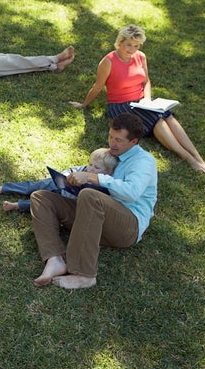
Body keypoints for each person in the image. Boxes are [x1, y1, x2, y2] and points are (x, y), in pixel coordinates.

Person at [30, 113, 157, 289]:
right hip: (96, 219)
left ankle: (84, 275)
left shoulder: (144, 162)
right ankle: (55, 259)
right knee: (41, 197)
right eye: (111, 136)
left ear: (133, 142)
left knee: (90, 195)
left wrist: (92, 178)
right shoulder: (112, 154)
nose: (112, 143)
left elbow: (131, 193)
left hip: (128, 227)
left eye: (119, 140)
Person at [69, 24, 205, 172]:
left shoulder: (141, 57)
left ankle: (197, 157)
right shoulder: (108, 61)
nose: (132, 49)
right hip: (120, 105)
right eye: (128, 45)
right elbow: (98, 86)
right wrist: (84, 104)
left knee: (169, 117)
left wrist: (147, 99)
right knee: (158, 120)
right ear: (120, 42)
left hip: (142, 102)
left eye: (136, 46)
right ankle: (188, 159)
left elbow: (146, 81)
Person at [0, 148, 119, 213]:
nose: (91, 168)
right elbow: (70, 171)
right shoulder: (84, 170)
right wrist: (65, 177)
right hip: (60, 185)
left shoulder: (104, 183)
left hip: (67, 200)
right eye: (90, 164)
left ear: (107, 172)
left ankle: (17, 205)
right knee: (36, 186)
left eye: (96, 167)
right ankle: (6, 187)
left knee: (43, 201)